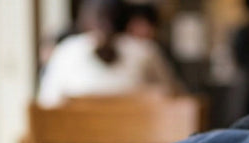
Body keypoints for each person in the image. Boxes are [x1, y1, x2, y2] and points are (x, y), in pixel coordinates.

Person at [37, 0, 182, 107]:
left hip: (76, 138)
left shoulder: (66, 50)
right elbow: (175, 96)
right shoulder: (145, 50)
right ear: (126, 21)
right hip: (136, 138)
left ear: (84, 20)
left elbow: (46, 102)